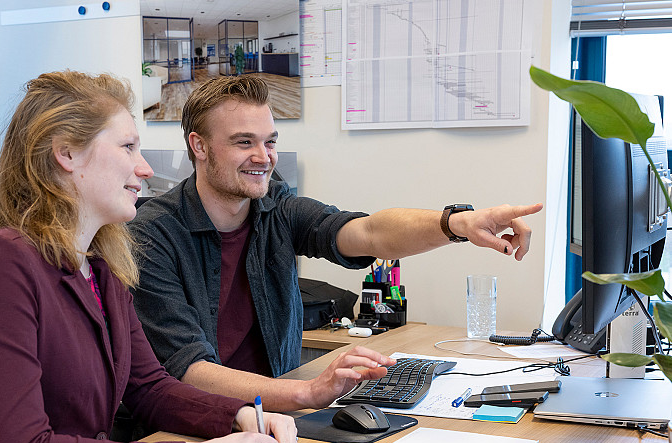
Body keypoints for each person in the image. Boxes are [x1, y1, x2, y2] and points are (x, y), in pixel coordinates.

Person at [0, 71, 297, 443]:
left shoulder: (100, 268)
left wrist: (239, 415)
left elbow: (149, 387)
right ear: (67, 153)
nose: (145, 169)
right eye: (128, 147)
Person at [128, 75, 543, 413]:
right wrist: (307, 393)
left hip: (273, 416)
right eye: (244, 142)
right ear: (199, 146)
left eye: (269, 141)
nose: (263, 156)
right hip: (191, 426)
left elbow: (368, 232)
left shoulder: (277, 207)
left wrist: (456, 223)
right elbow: (190, 370)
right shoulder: (152, 234)